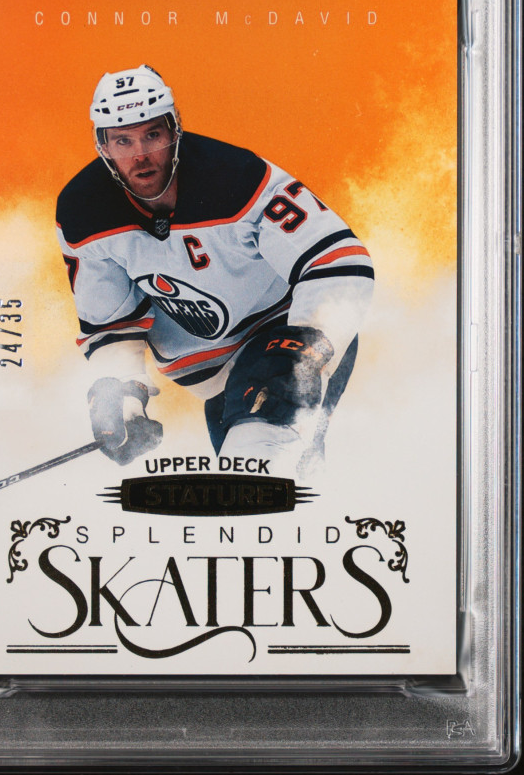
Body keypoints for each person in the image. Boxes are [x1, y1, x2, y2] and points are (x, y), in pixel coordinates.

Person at [56, 64, 374, 477]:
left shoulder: (236, 178)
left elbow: (341, 261)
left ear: (175, 130)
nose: (140, 155)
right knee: (265, 484)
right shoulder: (83, 211)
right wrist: (125, 397)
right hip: (219, 386)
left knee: (255, 466)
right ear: (102, 145)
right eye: (123, 141)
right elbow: (111, 326)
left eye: (152, 134)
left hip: (281, 341)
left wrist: (306, 352)